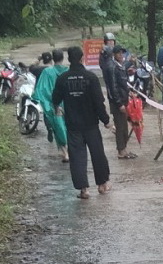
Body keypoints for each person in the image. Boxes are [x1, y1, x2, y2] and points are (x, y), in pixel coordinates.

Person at [51, 45, 113, 199]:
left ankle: (84, 190)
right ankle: (102, 185)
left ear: (69, 59)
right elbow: (99, 102)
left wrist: (58, 109)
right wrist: (106, 121)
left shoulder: (63, 79)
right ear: (81, 58)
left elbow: (55, 99)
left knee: (77, 157)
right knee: (97, 153)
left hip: (73, 125)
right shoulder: (90, 78)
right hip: (91, 124)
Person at [34, 49, 69, 163]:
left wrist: (50, 102)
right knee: (68, 127)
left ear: (53, 59)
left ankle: (65, 152)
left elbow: (42, 89)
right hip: (68, 104)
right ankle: (69, 150)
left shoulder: (47, 72)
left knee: (58, 127)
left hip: (54, 104)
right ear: (63, 58)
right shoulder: (68, 71)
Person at [101, 45, 134, 159]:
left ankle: (124, 149)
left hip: (124, 100)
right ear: (114, 55)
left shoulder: (120, 66)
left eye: (122, 53)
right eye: (118, 53)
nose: (121, 55)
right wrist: (119, 103)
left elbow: (123, 84)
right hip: (117, 103)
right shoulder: (113, 67)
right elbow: (113, 87)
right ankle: (121, 151)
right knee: (120, 127)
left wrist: (128, 92)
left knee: (124, 126)